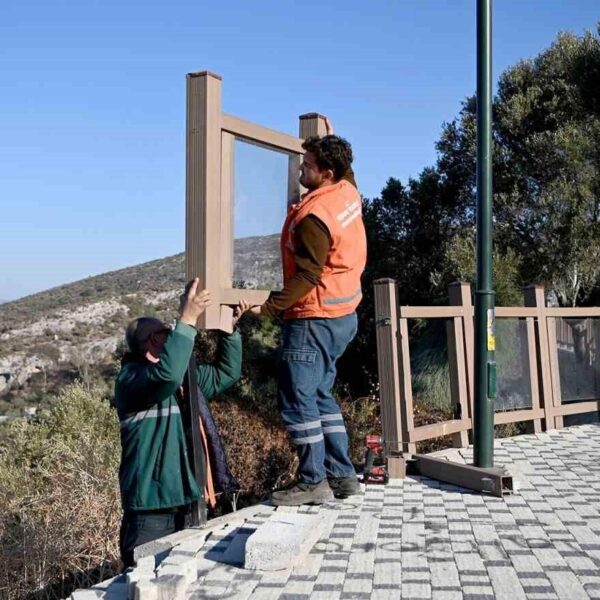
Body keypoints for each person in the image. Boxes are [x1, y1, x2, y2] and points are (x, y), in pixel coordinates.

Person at [251, 131, 367, 506]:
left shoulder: (314, 217)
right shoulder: (347, 193)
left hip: (312, 318)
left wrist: (268, 307)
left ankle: (313, 481)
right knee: (320, 395)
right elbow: (349, 172)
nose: (301, 168)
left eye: (308, 165)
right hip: (343, 315)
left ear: (328, 172)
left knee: (298, 399)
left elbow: (307, 277)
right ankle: (343, 476)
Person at [114, 279, 249, 568]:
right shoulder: (133, 380)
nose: (173, 335)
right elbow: (166, 376)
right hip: (150, 516)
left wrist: (229, 331)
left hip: (188, 507)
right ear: (152, 341)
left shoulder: (183, 381)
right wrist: (186, 318)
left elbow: (226, 372)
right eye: (167, 332)